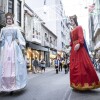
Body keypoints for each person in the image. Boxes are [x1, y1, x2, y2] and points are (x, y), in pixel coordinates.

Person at [69, 15, 100, 90]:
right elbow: (72, 42)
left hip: (79, 49)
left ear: (75, 20)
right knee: (74, 66)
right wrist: (70, 44)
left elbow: (81, 38)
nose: (71, 22)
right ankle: (76, 84)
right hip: (74, 50)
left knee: (81, 66)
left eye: (72, 20)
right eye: (70, 21)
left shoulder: (79, 27)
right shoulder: (71, 31)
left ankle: (84, 84)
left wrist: (79, 44)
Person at [0, 12, 27, 93]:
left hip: (14, 49)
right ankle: (5, 85)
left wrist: (20, 43)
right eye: (7, 19)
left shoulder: (16, 29)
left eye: (10, 19)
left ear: (12, 20)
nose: (9, 20)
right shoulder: (3, 29)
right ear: (6, 20)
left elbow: (20, 38)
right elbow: (1, 39)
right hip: (5, 49)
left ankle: (14, 85)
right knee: (5, 66)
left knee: (14, 64)